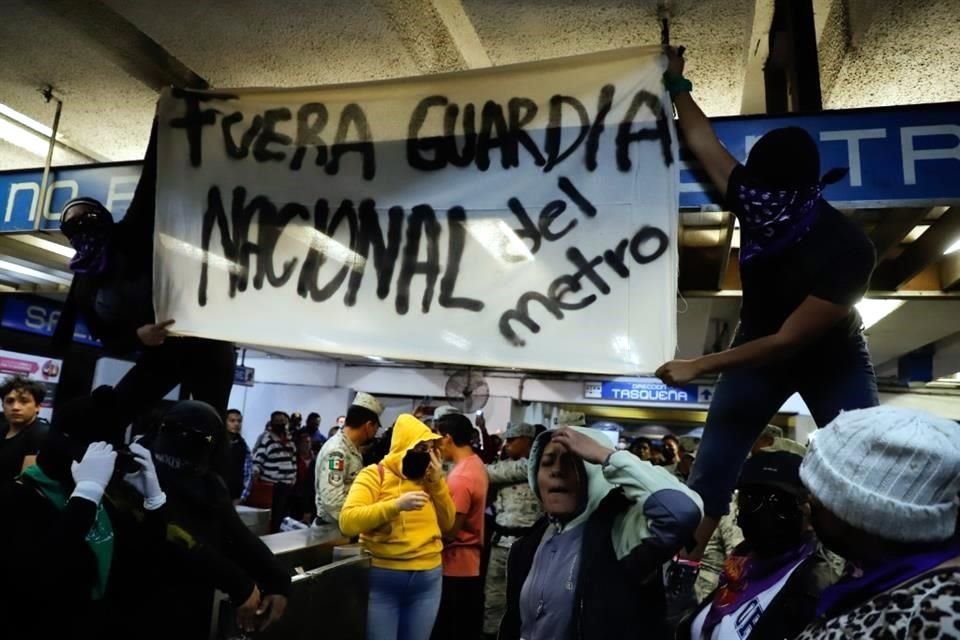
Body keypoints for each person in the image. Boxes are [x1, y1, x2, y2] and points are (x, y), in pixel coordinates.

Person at [655, 46, 879, 559]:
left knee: (863, 456)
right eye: (754, 191)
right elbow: (701, 138)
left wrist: (700, 365)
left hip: (828, 356)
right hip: (758, 340)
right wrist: (676, 82)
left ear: (802, 192)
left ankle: (871, 567)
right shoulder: (752, 193)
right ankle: (683, 566)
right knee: (713, 465)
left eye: (769, 195)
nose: (758, 205)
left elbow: (789, 340)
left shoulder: (847, 248)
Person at [55, 190, 235, 435]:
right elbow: (108, 338)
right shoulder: (85, 284)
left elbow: (148, 190)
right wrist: (138, 336)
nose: (83, 223)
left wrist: (163, 149)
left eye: (87, 215)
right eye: (74, 221)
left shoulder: (132, 237)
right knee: (112, 416)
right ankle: (100, 466)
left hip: (207, 343)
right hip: (163, 352)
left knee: (211, 426)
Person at [499, 427, 703, 640]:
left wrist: (606, 456)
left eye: (571, 462)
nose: (556, 471)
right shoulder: (530, 543)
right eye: (547, 463)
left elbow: (682, 511)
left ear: (596, 472)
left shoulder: (622, 533)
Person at [0, 394, 169, 637]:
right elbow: (37, 579)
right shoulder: (15, 498)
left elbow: (146, 561)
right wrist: (85, 495)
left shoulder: (103, 498)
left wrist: (154, 501)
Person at [793, 406, 960, 639]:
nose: (808, 503)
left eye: (818, 495)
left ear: (856, 513)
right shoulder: (875, 575)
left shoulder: (936, 613)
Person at [144, 401, 290, 636]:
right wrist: (238, 583)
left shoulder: (208, 483)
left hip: (191, 609)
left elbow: (236, 535)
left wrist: (278, 581)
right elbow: (172, 535)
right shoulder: (138, 473)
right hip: (140, 608)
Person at [678, 451, 838, 640]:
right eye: (751, 499)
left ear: (808, 510)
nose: (763, 512)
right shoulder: (738, 569)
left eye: (780, 502)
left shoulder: (817, 584)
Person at [340, 414, 456, 640]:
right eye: (421, 447)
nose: (427, 455)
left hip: (427, 580)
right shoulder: (375, 475)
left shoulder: (429, 479)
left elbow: (448, 523)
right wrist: (395, 506)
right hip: (384, 580)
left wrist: (437, 483)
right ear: (405, 446)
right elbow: (348, 521)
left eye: (431, 449)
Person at [432, 413, 490, 640]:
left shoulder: (461, 477)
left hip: (456, 566)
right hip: (470, 563)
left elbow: (451, 530)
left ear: (447, 437)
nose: (437, 443)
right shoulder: (475, 464)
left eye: (438, 437)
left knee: (449, 630)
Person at [482, 423, 542, 638]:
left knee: (525, 599)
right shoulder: (504, 466)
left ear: (527, 440)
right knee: (493, 598)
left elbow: (490, 472)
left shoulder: (538, 464)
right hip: (501, 543)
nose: (506, 445)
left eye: (512, 440)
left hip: (527, 546)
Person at [315, 392, 384, 527]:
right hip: (333, 528)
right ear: (369, 425)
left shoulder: (352, 448)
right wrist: (361, 519)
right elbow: (332, 500)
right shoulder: (337, 451)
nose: (376, 431)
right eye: (376, 427)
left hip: (346, 525)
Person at [252, 411, 297, 533]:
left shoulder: (289, 439)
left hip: (287, 484)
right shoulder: (267, 438)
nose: (281, 424)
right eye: (278, 421)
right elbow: (258, 460)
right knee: (273, 517)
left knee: (283, 517)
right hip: (272, 484)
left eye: (283, 421)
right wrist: (255, 477)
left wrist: (294, 476)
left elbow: (293, 458)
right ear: (272, 423)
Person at [0, 375, 50, 479]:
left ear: (37, 406)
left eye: (24, 401)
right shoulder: (2, 429)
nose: (15, 407)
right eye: (9, 401)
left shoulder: (41, 434)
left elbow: (25, 482)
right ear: (3, 405)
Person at [223, 408, 252, 504]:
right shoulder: (217, 443)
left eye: (239, 421)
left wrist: (242, 497)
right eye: (232, 421)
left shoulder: (243, 446)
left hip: (233, 497)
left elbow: (248, 474)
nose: (236, 424)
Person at [291, 429, 317, 524]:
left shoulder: (316, 459)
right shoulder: (293, 459)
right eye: (304, 442)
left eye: (308, 442)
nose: (307, 444)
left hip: (310, 498)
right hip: (295, 497)